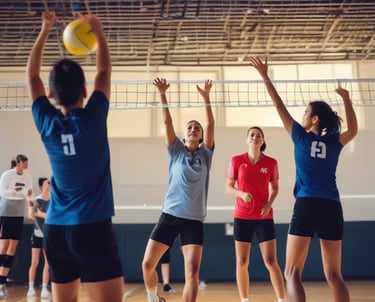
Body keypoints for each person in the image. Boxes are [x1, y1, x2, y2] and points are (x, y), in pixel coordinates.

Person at [26, 11, 124, 302]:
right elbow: (104, 72)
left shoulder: (47, 123)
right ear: (84, 90)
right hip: (92, 227)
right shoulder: (93, 118)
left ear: (52, 96)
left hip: (55, 231)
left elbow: (32, 76)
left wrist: (45, 30)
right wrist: (98, 29)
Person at [249, 56, 358, 302]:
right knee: (334, 274)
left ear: (315, 119)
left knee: (291, 272)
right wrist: (347, 98)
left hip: (307, 204)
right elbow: (353, 130)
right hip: (331, 206)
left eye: (306, 112)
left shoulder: (301, 136)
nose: (303, 115)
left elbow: (278, 107)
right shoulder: (334, 141)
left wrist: (265, 76)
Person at [142, 78, 215, 302]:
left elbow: (211, 125)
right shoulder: (175, 151)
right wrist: (163, 94)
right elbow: (166, 122)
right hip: (170, 216)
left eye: (197, 128)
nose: (194, 129)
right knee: (147, 265)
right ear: (184, 136)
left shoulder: (206, 155)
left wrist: (206, 98)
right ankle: (154, 298)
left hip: (193, 220)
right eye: (190, 128)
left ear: (201, 136)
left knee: (192, 274)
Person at [226, 126, 285, 302]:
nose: (255, 137)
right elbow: (228, 186)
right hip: (242, 217)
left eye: (258, 135)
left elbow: (275, 188)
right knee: (242, 261)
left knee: (271, 261)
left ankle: (281, 299)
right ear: (247, 139)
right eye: (252, 135)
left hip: (263, 217)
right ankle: (244, 299)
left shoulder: (271, 163)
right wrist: (241, 194)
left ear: (263, 141)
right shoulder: (236, 160)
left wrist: (268, 204)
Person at [0, 155, 33, 298]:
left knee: (12, 249)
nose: (26, 165)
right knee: (3, 247)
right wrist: (19, 192)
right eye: (25, 163)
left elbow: (29, 195)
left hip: (18, 215)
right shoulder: (8, 175)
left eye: (27, 163)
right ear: (18, 163)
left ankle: (2, 283)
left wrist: (31, 207)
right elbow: (3, 193)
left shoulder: (27, 177)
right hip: (5, 214)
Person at [27, 177, 51, 298]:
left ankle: (44, 289)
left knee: (48, 263)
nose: (49, 184)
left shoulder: (53, 200)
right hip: (37, 234)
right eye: (47, 183)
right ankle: (31, 288)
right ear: (42, 186)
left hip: (48, 235)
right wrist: (46, 215)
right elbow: (32, 214)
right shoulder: (37, 200)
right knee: (34, 262)